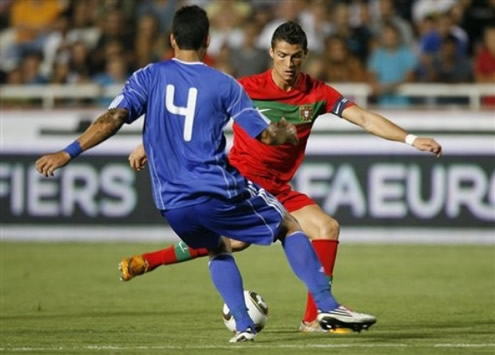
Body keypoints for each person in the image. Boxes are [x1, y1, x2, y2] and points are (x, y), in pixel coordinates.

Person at [35, 6, 377, 343]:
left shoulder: (148, 76)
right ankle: (327, 306)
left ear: (172, 39)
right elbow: (264, 134)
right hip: (216, 188)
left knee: (217, 248)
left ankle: (243, 327)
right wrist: (284, 133)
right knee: (287, 224)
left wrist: (68, 152)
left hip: (170, 203)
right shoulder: (224, 84)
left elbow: (112, 118)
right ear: (208, 41)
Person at [121, 20, 442, 334]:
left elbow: (364, 118)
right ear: (271, 53)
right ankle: (150, 261)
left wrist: (411, 139)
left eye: (296, 56)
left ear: (305, 55)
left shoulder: (316, 92)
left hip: (277, 186)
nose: (289, 63)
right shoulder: (246, 87)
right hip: (241, 179)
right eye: (282, 55)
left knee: (323, 227)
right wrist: (146, 144)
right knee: (233, 242)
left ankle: (313, 319)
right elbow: (193, 118)